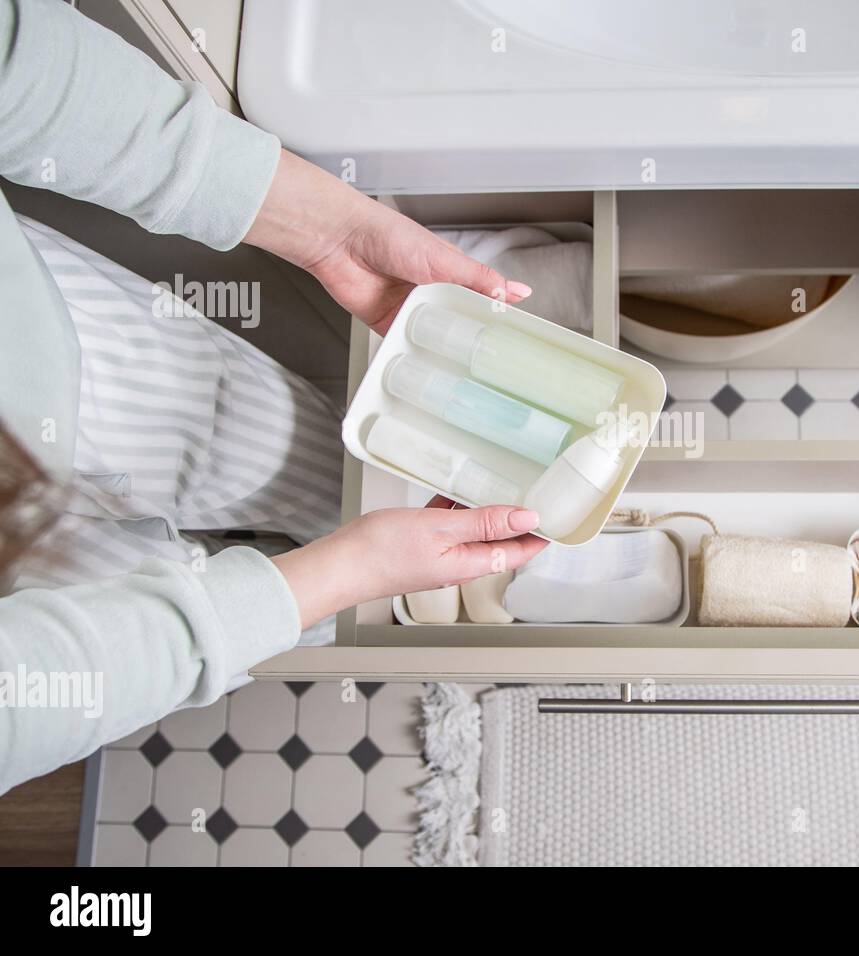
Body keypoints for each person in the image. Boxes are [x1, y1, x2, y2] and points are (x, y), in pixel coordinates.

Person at [0, 0, 547, 794]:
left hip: (55, 336)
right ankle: (344, 576)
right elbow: (40, 689)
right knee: (267, 598)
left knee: (305, 468)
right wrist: (343, 575)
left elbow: (22, 65)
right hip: (23, 581)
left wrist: (327, 230)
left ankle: (341, 563)